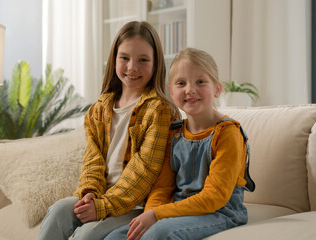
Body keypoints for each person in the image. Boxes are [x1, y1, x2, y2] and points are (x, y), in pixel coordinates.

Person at [37, 21, 179, 240]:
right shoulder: (98, 109)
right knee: (58, 212)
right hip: (101, 196)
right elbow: (92, 160)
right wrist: (89, 193)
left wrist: (102, 207)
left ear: (156, 64)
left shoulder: (159, 110)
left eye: (143, 60)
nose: (132, 67)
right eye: (125, 58)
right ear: (114, 61)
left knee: (87, 235)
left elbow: (144, 172)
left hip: (136, 203)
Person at [106, 48, 255, 240]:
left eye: (200, 82)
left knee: (160, 234)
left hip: (220, 212)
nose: (190, 90)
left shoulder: (228, 133)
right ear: (171, 91)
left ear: (217, 89)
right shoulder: (174, 133)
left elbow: (215, 196)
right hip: (178, 210)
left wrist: (158, 215)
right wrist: (148, 215)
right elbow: (162, 188)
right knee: (115, 237)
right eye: (181, 83)